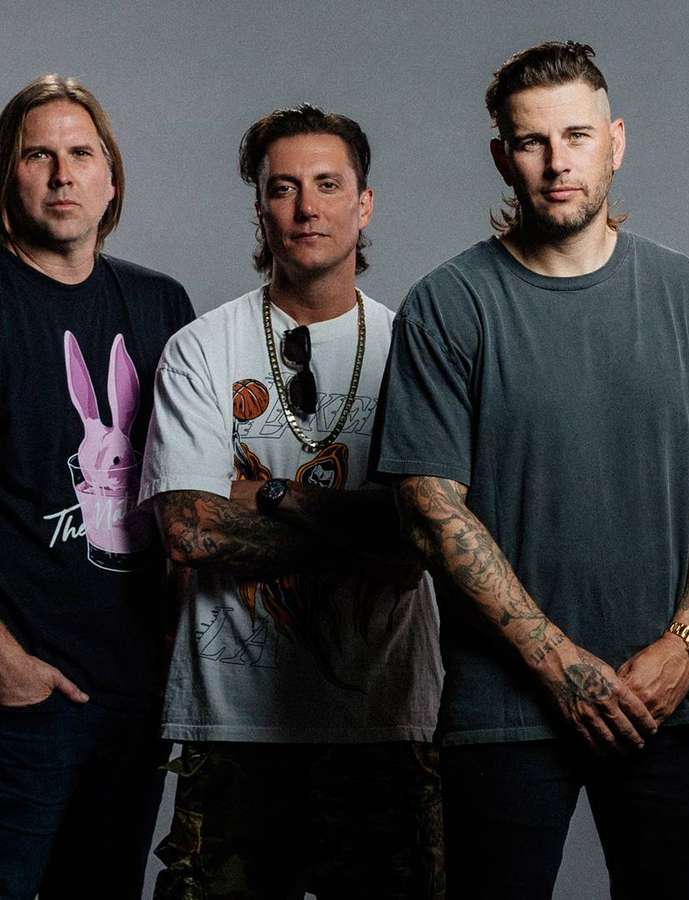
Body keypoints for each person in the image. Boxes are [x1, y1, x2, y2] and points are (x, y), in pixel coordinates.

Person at [371, 41, 689, 900]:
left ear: (615, 142)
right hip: (506, 710)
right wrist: (557, 664)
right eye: (532, 141)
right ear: (502, 157)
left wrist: (686, 645)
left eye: (578, 136)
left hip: (671, 699)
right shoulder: (449, 304)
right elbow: (432, 510)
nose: (558, 163)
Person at [140, 105, 443, 898]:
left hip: (383, 719)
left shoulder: (416, 350)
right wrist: (372, 528)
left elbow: (422, 542)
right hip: (233, 723)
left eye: (327, 185)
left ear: (364, 204)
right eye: (283, 188)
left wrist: (268, 493)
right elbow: (190, 532)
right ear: (260, 208)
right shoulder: (202, 349)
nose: (306, 207)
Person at [0, 75, 194, 898]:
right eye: (36, 155)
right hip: (20, 697)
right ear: (8, 176)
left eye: (81, 153)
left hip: (134, 695)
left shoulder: (158, 304)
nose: (61, 174)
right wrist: (4, 663)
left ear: (111, 177)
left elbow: (190, 488)